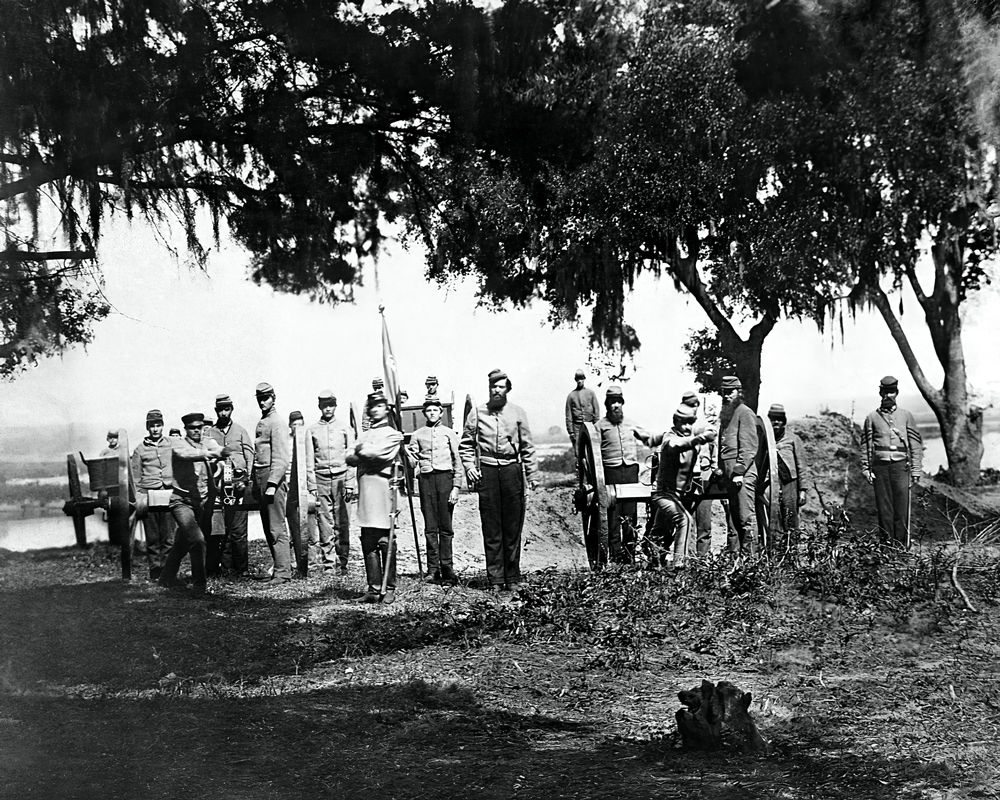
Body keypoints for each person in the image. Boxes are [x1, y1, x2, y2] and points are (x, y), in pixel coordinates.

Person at [460, 368, 538, 592]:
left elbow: (528, 446)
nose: (496, 390)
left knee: (512, 526)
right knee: (492, 527)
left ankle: (512, 577)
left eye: (501, 386)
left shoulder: (518, 413)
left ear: (507, 389)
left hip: (512, 471)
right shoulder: (477, 413)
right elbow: (466, 445)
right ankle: (495, 579)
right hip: (488, 473)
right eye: (493, 386)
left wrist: (531, 475)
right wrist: (469, 467)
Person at [159, 413, 230, 596]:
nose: (196, 430)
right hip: (181, 502)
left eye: (199, 427)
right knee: (198, 540)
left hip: (201, 503)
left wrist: (223, 454)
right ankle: (200, 586)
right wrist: (209, 454)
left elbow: (219, 449)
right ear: (186, 429)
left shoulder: (208, 442)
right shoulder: (178, 443)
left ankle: (166, 578)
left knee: (183, 543)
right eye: (192, 428)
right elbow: (185, 454)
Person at [593, 385, 661, 565]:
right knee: (613, 516)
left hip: (630, 471)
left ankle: (630, 556)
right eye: (612, 402)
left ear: (622, 404)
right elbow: (591, 454)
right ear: (607, 405)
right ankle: (616, 558)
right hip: (611, 472)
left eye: (618, 402)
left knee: (630, 515)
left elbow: (649, 439)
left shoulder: (631, 424)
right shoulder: (599, 427)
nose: (615, 406)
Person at [348, 391, 404, 603]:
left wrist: (363, 452)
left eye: (379, 406)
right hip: (365, 487)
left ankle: (388, 588)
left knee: (385, 539)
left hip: (383, 487)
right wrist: (363, 452)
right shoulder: (363, 435)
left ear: (387, 409)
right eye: (372, 406)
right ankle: (373, 588)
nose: (375, 410)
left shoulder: (392, 434)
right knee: (368, 539)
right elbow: (349, 456)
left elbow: (381, 455)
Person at [647, 404, 717, 568]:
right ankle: (677, 564)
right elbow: (677, 446)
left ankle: (657, 561)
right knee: (683, 520)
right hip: (664, 493)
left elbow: (710, 434)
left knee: (661, 529)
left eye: (689, 423)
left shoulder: (691, 435)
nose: (686, 427)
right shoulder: (669, 438)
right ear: (675, 422)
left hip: (681, 493)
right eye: (683, 423)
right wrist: (698, 439)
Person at [861, 376, 923, 545]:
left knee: (902, 508)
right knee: (884, 508)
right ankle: (887, 547)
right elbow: (865, 446)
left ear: (897, 393)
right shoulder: (872, 418)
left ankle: (902, 546)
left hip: (901, 467)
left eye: (891, 392)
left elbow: (915, 445)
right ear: (880, 392)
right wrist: (866, 469)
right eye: (885, 392)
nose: (888, 396)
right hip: (880, 468)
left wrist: (916, 470)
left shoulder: (906, 416)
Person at [405, 394, 461, 584]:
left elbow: (457, 460)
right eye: (428, 410)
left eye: (435, 410)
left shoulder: (449, 433)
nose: (431, 413)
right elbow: (412, 462)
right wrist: (405, 452)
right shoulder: (417, 434)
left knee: (446, 527)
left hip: (445, 480)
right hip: (426, 481)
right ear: (424, 413)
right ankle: (433, 569)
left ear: (440, 412)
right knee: (430, 527)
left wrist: (456, 487)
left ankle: (448, 568)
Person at [306, 390, 357, 575]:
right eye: (324, 405)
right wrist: (311, 485)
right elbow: (309, 460)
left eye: (331, 405)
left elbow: (352, 456)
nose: (328, 408)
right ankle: (329, 564)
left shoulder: (345, 428)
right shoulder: (312, 430)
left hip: (342, 479)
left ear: (335, 406)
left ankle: (342, 563)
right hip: (321, 480)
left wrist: (350, 482)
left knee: (342, 522)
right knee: (325, 523)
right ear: (320, 407)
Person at [205, 394, 255, 578]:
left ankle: (242, 569)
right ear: (216, 411)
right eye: (220, 409)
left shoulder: (241, 431)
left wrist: (247, 479)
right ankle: (226, 569)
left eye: (227, 409)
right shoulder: (210, 433)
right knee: (222, 529)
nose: (224, 412)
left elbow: (250, 456)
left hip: (238, 483)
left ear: (231, 409)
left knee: (239, 529)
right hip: (218, 486)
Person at [252, 382, 292, 587]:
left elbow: (281, 457)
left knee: (277, 527)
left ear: (273, 398)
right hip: (261, 476)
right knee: (269, 527)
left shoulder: (277, 422)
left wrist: (272, 483)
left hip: (271, 478)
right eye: (259, 398)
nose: (262, 401)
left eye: (266, 397)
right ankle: (278, 569)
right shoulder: (264, 421)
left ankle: (283, 572)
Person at [130, 409, 175, 581]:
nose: (155, 429)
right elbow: (136, 477)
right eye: (152, 426)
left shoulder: (171, 444)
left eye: (158, 425)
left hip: (169, 495)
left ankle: (169, 572)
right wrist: (140, 498)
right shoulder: (139, 450)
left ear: (163, 426)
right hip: (149, 496)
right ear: (147, 428)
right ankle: (156, 571)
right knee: (153, 538)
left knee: (169, 537)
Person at [718, 376, 759, 557]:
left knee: (745, 519)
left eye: (730, 392)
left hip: (742, 476)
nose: (727, 396)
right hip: (730, 477)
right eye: (724, 392)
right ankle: (737, 562)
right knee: (734, 521)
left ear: (738, 393)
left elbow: (749, 446)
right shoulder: (727, 415)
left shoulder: (745, 413)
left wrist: (739, 471)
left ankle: (751, 564)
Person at [767, 404, 810, 535]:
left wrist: (803, 490)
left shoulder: (793, 439)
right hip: (770, 484)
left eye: (779, 420)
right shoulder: (765, 439)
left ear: (783, 422)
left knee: (790, 516)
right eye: (773, 419)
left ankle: (792, 549)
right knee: (774, 517)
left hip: (789, 483)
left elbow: (801, 465)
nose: (776, 423)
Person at [285, 410, 309, 576]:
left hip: (301, 488)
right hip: (287, 486)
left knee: (304, 527)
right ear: (290, 426)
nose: (298, 429)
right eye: (295, 425)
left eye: (301, 425)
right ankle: (289, 561)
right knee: (288, 525)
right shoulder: (286, 442)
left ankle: (306, 562)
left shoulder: (305, 442)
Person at [564, 369, 601, 445]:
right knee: (579, 450)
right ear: (575, 380)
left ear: (584, 379)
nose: (579, 381)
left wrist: (596, 426)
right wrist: (571, 431)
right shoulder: (571, 396)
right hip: (577, 427)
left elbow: (596, 410)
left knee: (592, 447)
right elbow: (568, 415)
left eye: (581, 378)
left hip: (590, 425)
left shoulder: (591, 393)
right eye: (578, 379)